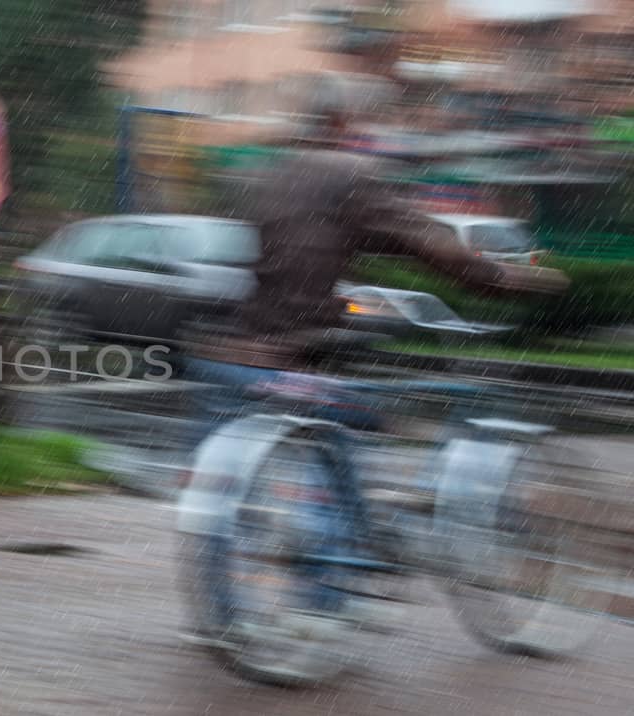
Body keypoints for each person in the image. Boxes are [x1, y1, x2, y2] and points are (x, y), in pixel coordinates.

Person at [178, 72, 569, 642]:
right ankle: (329, 597)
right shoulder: (348, 174)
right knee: (342, 441)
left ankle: (219, 617)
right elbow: (422, 241)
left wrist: (351, 290)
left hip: (234, 350)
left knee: (217, 492)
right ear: (343, 123)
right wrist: (502, 278)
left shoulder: (265, 177)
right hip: (297, 352)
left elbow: (305, 249)